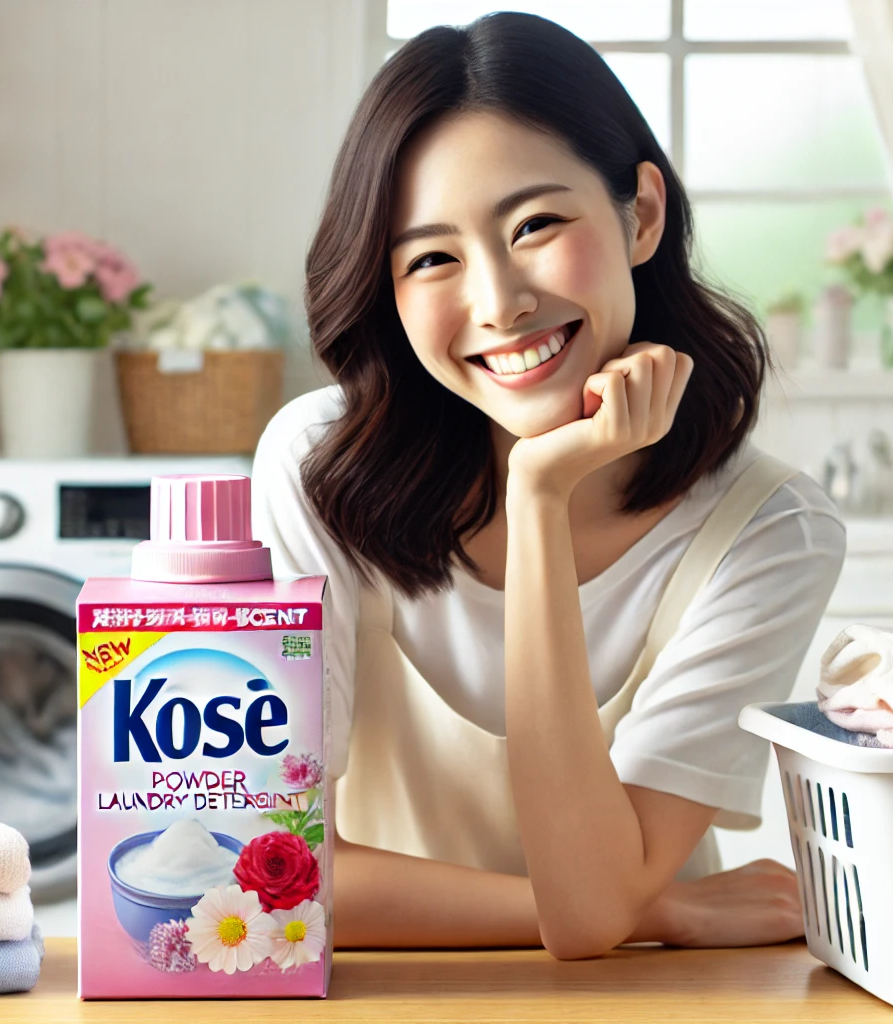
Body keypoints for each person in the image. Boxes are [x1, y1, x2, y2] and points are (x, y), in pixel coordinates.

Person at [253, 12, 844, 959]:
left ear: (641, 213)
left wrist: (538, 495)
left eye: (535, 225)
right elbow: (272, 871)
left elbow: (588, 916)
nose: (498, 302)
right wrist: (652, 910)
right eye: (433, 258)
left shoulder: (766, 530)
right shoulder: (320, 469)